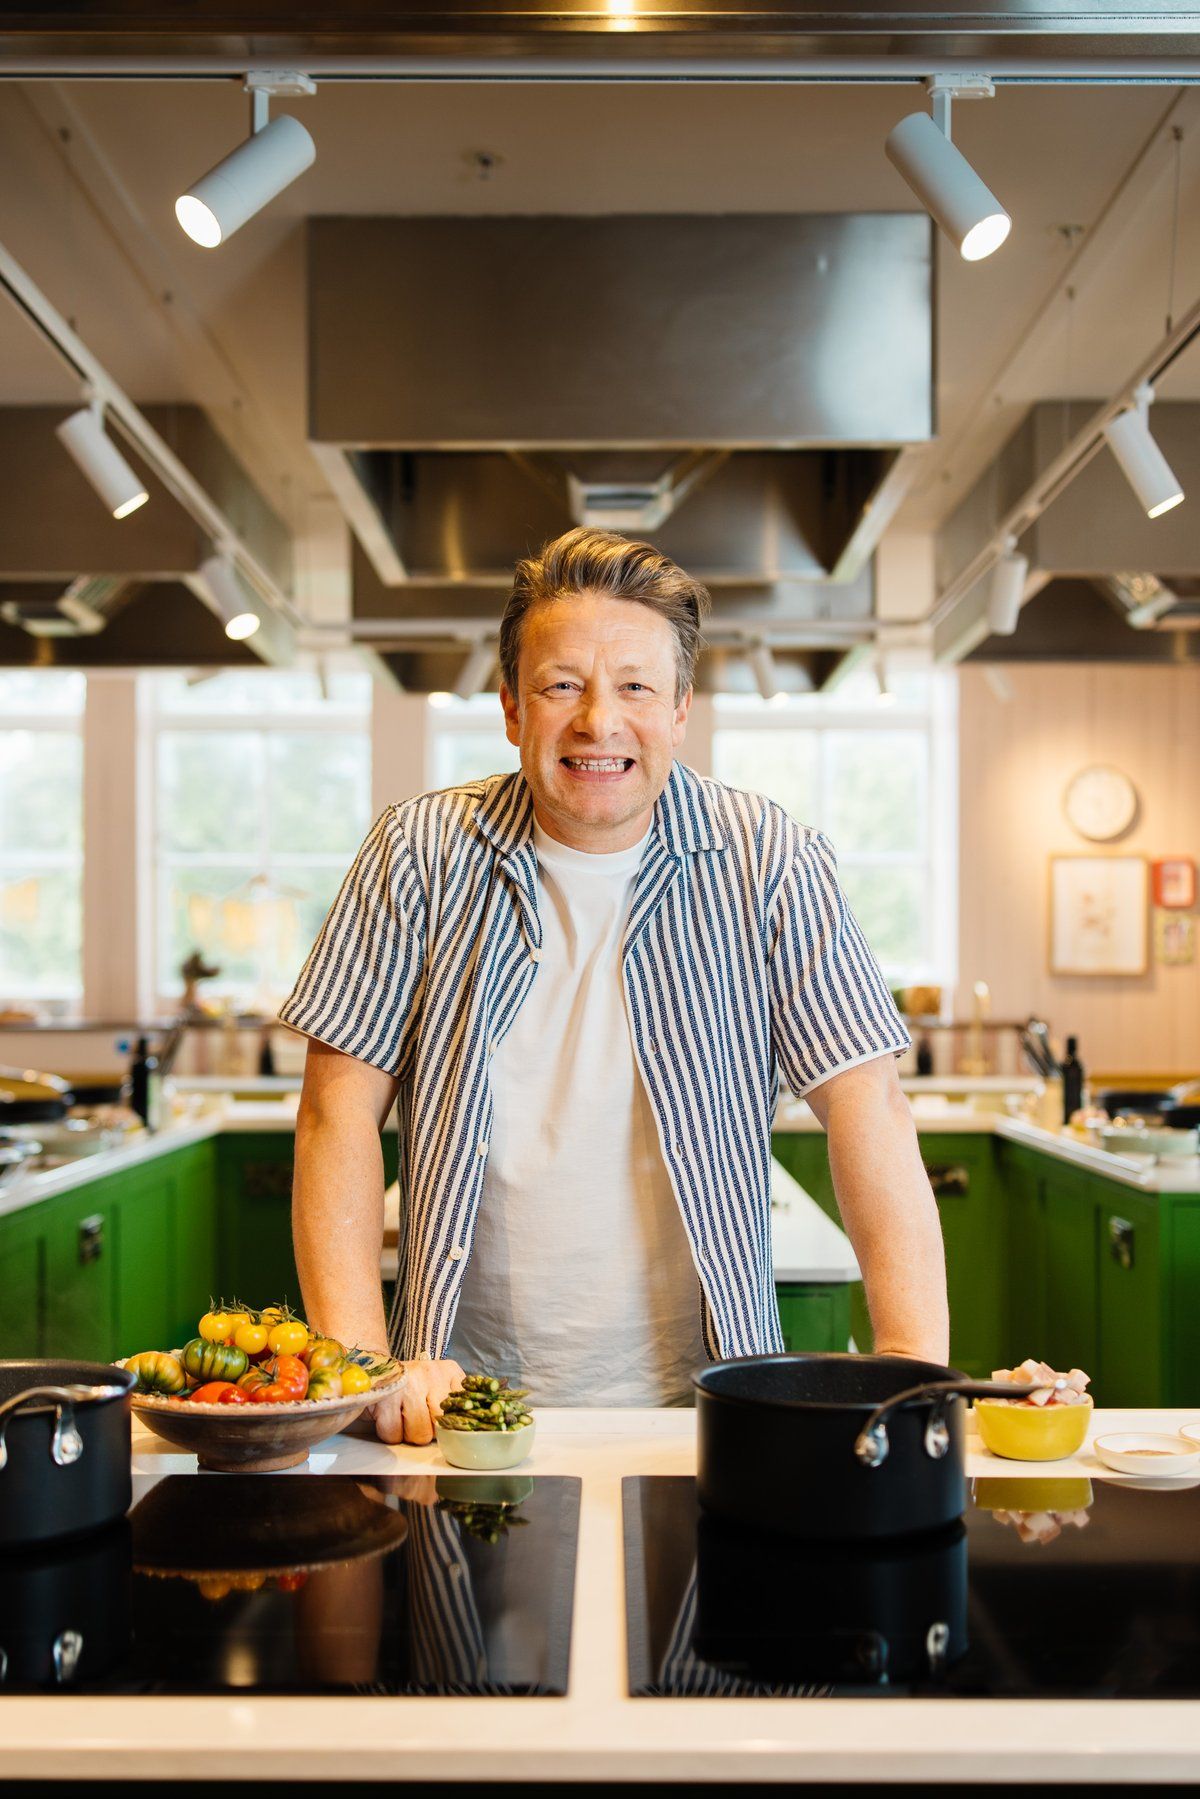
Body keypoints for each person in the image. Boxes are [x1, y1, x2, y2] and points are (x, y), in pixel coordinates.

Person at [281, 527, 948, 1445]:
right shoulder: (418, 852)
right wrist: (363, 1365)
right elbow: (336, 1112)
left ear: (679, 710)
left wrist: (911, 1366)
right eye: (562, 685)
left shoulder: (770, 860)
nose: (599, 722)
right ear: (512, 707)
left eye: (635, 686)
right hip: (458, 1406)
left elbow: (867, 1105)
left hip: (716, 1403)